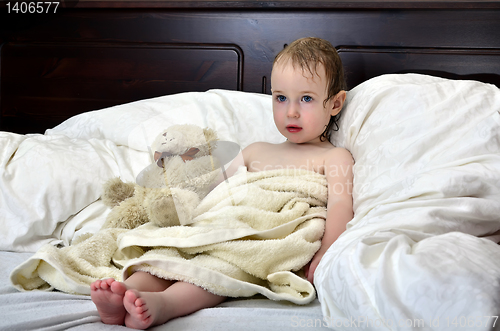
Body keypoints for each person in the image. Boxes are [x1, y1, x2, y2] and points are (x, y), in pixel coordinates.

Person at [90, 37, 354, 329]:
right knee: (169, 252)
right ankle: (126, 292)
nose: (290, 111)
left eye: (306, 98)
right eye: (281, 98)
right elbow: (213, 188)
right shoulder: (256, 149)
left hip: (255, 237)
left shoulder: (334, 157)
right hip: (220, 224)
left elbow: (341, 204)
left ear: (335, 103)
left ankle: (164, 305)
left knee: (222, 268)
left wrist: (324, 253)